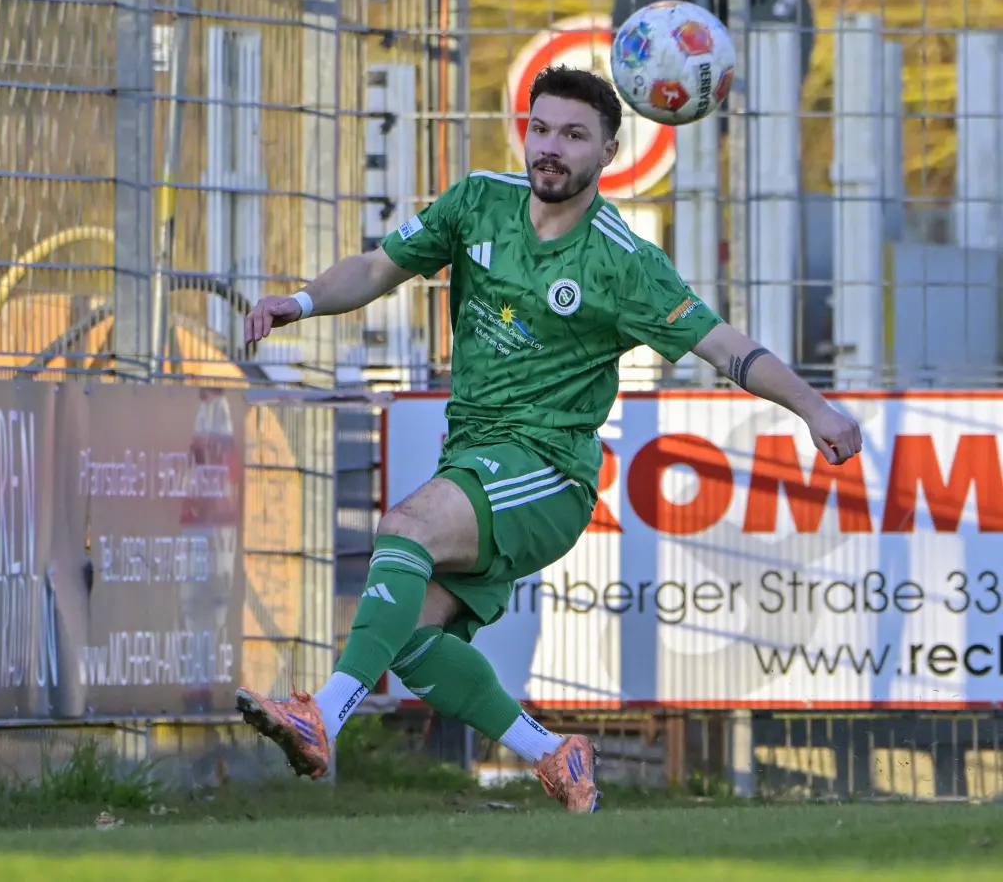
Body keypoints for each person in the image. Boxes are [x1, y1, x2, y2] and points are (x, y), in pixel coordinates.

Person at [233, 66, 863, 813]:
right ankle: (554, 753)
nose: (551, 148)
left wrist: (813, 408)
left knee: (405, 525)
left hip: (549, 472)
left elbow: (723, 346)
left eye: (573, 135)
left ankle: (321, 715)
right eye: (541, 129)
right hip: (474, 456)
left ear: (608, 150)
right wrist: (298, 302)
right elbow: (376, 268)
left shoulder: (624, 262)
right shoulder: (478, 203)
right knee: (408, 640)